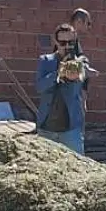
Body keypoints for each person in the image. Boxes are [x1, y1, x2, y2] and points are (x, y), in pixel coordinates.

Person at [35, 23, 86, 153]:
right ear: (56, 42)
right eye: (63, 43)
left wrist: (76, 71)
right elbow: (40, 87)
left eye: (71, 42)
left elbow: (78, 85)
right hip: (47, 128)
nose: (67, 46)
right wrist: (58, 72)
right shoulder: (46, 61)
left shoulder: (80, 61)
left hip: (71, 129)